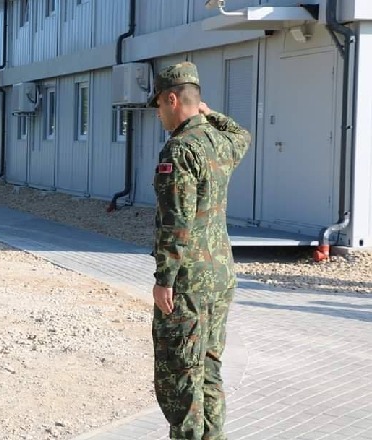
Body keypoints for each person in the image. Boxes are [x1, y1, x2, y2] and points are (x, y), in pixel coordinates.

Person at [148, 61, 251, 439]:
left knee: (180, 375)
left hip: (188, 281)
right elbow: (242, 134)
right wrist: (210, 113)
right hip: (220, 275)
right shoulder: (219, 142)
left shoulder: (179, 150)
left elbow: (177, 223)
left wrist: (164, 280)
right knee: (208, 365)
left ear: (172, 99)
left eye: (159, 104)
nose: (158, 113)